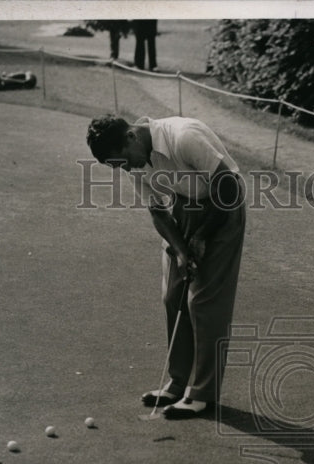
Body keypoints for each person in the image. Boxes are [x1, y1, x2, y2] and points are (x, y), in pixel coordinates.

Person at [86, 114, 246, 420]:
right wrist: (181, 249)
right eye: (116, 166)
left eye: (122, 161)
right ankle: (177, 382)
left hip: (222, 206)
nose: (125, 169)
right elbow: (158, 211)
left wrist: (200, 237)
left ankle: (201, 394)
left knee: (203, 301)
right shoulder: (134, 161)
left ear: (131, 137)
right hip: (183, 207)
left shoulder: (184, 137)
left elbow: (229, 189)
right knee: (173, 295)